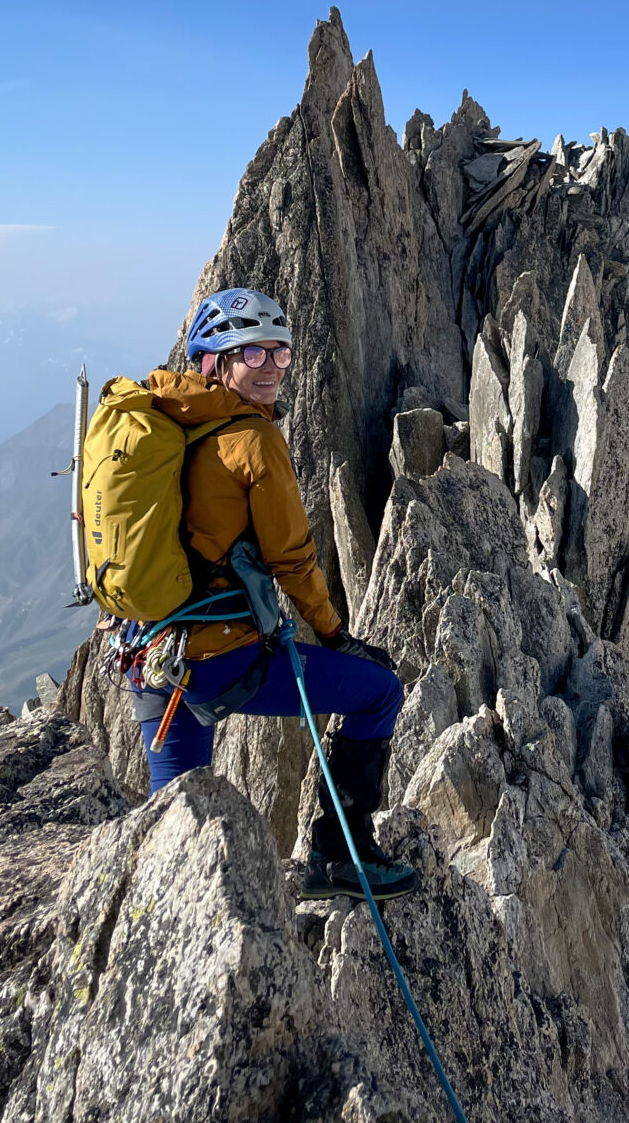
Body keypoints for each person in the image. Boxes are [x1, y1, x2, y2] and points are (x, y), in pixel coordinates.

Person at [132, 287, 417, 901]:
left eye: (280, 354)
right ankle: (341, 856)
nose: (271, 370)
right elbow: (292, 559)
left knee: (174, 811)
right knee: (378, 693)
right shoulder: (253, 441)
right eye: (252, 355)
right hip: (217, 660)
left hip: (152, 656)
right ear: (215, 362)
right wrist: (337, 636)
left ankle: (160, 917)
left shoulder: (165, 422)